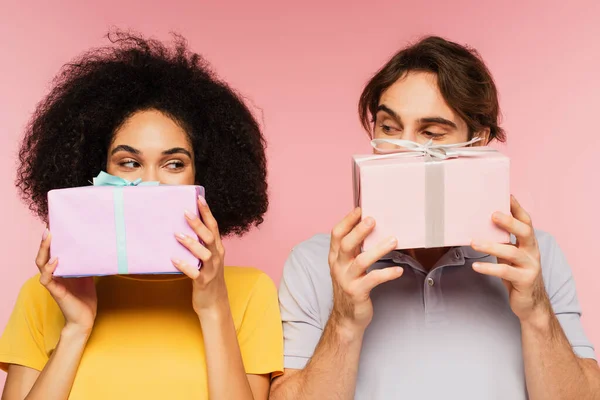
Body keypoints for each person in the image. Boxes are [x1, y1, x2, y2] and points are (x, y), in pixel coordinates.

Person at [270, 36, 600, 399]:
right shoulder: (316, 262)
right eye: (389, 128)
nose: (403, 150)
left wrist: (537, 313)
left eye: (431, 133)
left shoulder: (534, 258)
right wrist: (344, 322)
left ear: (479, 140)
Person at [0, 31, 282, 400]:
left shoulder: (248, 292)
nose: (150, 182)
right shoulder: (47, 295)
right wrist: (76, 328)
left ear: (203, 175)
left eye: (174, 163)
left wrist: (214, 307)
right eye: (130, 162)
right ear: (95, 171)